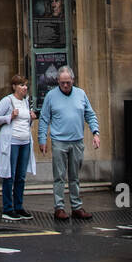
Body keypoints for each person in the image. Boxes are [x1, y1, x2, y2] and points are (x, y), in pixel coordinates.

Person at [38, 65, 99, 220]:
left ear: (73, 80)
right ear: (58, 81)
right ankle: (59, 207)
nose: (65, 86)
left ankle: (76, 207)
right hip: (59, 141)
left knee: (75, 176)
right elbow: (44, 119)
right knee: (59, 176)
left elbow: (90, 115)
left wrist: (95, 133)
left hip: (77, 141)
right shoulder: (51, 96)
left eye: (68, 82)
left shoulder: (81, 94)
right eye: (62, 83)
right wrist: (42, 139)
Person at [0, 74, 37, 221]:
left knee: (21, 176)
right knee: (9, 176)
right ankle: (8, 208)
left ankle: (19, 207)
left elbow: (25, 122)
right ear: (14, 87)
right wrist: (9, 116)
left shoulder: (25, 102)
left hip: (25, 142)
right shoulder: (7, 101)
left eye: (25, 85)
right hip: (12, 143)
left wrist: (31, 118)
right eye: (21, 85)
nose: (25, 88)